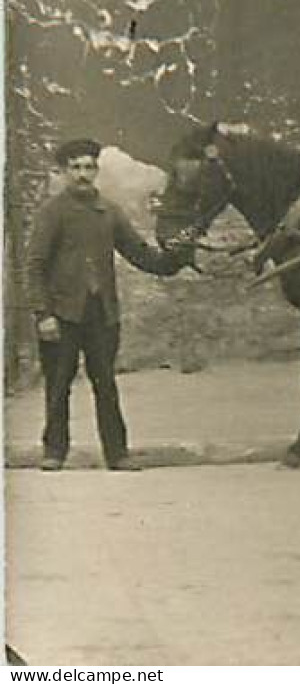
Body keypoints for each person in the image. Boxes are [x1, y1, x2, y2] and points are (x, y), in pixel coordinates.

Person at [24, 138, 191, 471]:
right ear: (64, 172)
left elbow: (139, 253)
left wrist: (176, 257)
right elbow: (35, 265)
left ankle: (117, 454)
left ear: (96, 170)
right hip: (61, 314)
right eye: (76, 168)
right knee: (58, 387)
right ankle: (54, 451)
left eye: (88, 167)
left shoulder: (109, 211)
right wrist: (43, 314)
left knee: (106, 385)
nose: (83, 174)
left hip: (102, 315)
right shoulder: (52, 212)